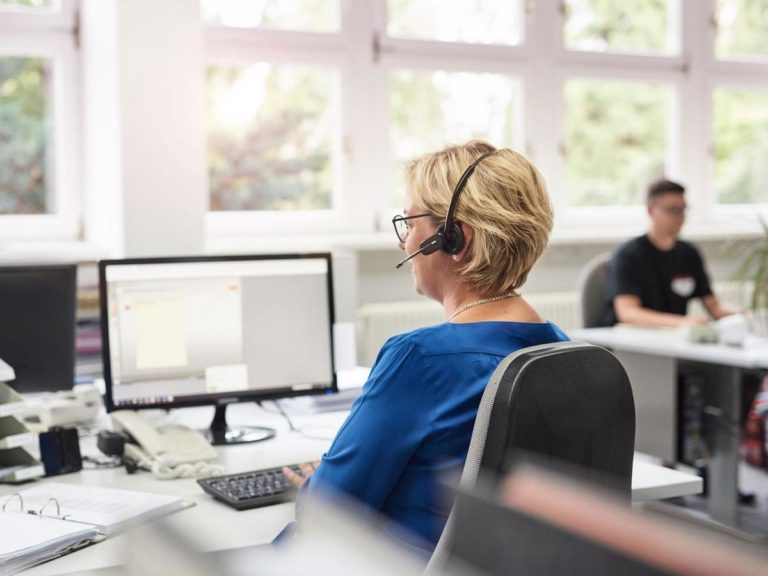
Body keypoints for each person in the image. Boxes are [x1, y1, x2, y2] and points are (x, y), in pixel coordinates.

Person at [281, 140, 568, 554]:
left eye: (410, 221)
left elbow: (328, 510)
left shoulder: (421, 360)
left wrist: (319, 478)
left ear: (454, 239)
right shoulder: (561, 350)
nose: (404, 241)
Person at [603, 179, 735, 327]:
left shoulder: (689, 253)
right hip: (634, 341)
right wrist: (683, 322)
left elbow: (714, 307)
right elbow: (628, 313)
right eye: (673, 210)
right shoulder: (628, 255)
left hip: (673, 340)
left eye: (683, 209)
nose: (681, 217)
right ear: (651, 210)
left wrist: (740, 315)